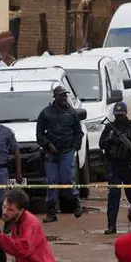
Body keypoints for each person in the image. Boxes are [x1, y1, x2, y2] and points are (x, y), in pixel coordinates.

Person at [36, 85, 85, 223]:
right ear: (55, 97)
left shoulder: (72, 113)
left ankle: (76, 203)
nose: (64, 98)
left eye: (65, 95)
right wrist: (48, 145)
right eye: (61, 95)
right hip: (51, 153)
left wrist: (74, 147)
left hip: (67, 151)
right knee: (52, 182)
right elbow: (39, 134)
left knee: (67, 179)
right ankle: (51, 212)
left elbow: (79, 133)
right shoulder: (45, 113)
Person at [99, 102, 131, 235]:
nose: (119, 117)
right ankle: (111, 226)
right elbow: (101, 144)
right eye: (117, 115)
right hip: (114, 166)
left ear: (126, 113)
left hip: (130, 167)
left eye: (121, 115)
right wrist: (110, 140)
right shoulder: (110, 127)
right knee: (113, 197)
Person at [0, 189, 59, 262]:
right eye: (4, 206)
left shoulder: (29, 224)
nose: (4, 212)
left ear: (21, 210)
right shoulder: (14, 219)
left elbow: (23, 248)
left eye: (10, 210)